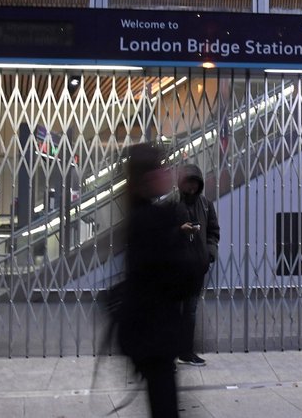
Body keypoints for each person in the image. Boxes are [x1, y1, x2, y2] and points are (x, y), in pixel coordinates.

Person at [116, 142, 190, 418]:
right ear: (148, 177)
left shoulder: (140, 216)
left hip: (149, 337)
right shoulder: (153, 220)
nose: (168, 172)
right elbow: (186, 274)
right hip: (155, 337)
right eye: (163, 167)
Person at [173, 164, 220, 367]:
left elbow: (213, 232)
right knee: (173, 311)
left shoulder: (206, 205)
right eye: (188, 183)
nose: (191, 188)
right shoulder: (172, 205)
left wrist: (209, 253)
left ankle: (186, 352)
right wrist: (179, 230)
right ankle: (170, 353)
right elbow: (161, 234)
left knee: (190, 312)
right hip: (175, 267)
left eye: (195, 183)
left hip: (195, 268)